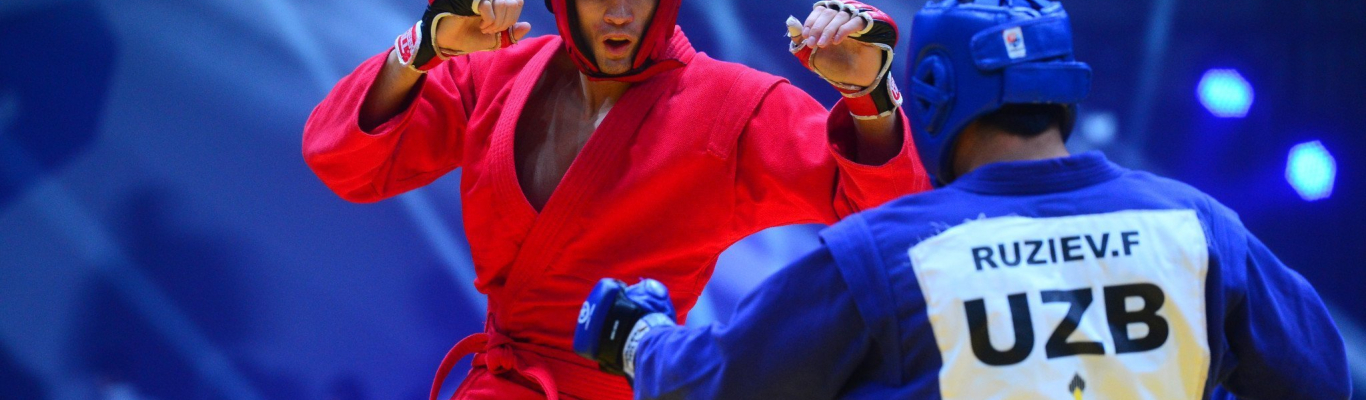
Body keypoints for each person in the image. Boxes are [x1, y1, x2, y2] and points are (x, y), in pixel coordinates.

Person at [571, 0, 1353, 398]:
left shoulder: (889, 254)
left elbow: (720, 383)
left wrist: (637, 337)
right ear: (1065, 89)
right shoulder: (1199, 229)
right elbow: (1321, 380)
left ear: (933, 95)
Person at [301, 0, 931, 398]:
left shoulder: (735, 107)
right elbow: (344, 162)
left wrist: (870, 97)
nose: (621, 13)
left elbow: (898, 221)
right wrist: (422, 47)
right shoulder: (496, 75)